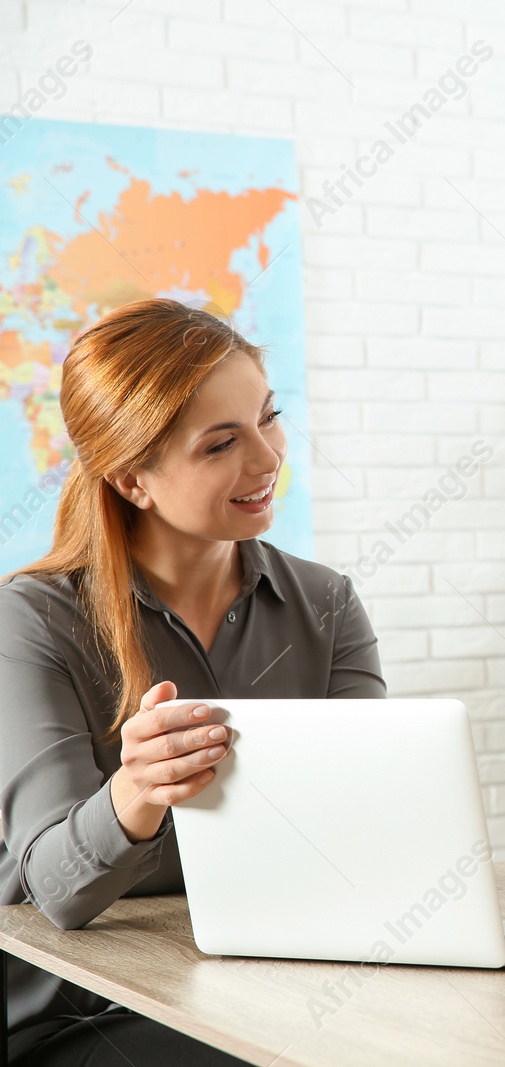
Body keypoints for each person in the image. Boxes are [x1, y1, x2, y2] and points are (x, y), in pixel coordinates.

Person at [0, 299, 384, 1066]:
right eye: (221, 444)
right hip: (82, 1013)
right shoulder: (31, 618)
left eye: (269, 419)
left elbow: (367, 834)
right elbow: (55, 891)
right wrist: (136, 791)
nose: (268, 457)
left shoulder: (327, 602)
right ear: (133, 478)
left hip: (266, 982)